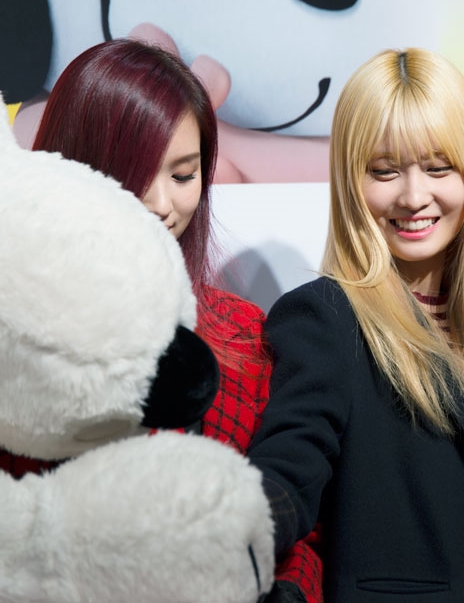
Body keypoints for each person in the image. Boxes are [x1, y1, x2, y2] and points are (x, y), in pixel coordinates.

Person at [4, 39, 322, 603]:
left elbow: (293, 526)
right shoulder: (23, 335)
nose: (160, 204)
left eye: (182, 175)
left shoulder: (244, 334)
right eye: (131, 172)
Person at [247, 47, 464, 602]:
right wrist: (226, 529)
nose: (414, 197)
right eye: (384, 171)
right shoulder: (326, 317)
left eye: (439, 167)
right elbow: (288, 471)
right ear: (351, 181)